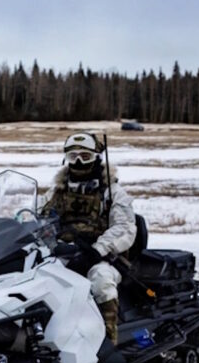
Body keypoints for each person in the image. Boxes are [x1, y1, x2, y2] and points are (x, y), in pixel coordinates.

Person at [41, 132, 135, 344]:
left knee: (101, 281)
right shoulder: (57, 191)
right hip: (63, 253)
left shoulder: (112, 192)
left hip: (103, 257)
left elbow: (124, 227)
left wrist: (97, 250)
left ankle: (107, 343)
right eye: (73, 156)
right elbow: (37, 217)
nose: (79, 162)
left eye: (85, 156)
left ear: (96, 157)